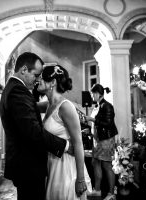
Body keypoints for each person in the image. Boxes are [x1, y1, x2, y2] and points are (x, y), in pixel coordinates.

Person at [0, 52, 79, 200]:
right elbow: (33, 132)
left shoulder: (15, 89)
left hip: (33, 165)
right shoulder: (18, 91)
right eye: (36, 75)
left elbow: (33, 108)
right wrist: (66, 146)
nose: (37, 80)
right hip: (28, 166)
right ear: (24, 70)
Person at [37, 64, 91, 199]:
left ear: (53, 82)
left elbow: (78, 144)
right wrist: (9, 92)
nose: (38, 80)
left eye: (42, 78)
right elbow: (28, 105)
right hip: (53, 164)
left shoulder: (65, 107)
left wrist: (80, 179)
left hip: (66, 167)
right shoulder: (49, 104)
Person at [85, 84, 118, 200]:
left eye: (93, 94)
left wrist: (92, 119)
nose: (92, 96)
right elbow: (98, 124)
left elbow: (108, 124)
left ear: (98, 94)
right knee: (95, 163)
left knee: (107, 165)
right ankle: (97, 190)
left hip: (106, 140)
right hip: (98, 139)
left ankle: (111, 193)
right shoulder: (98, 106)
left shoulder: (107, 106)